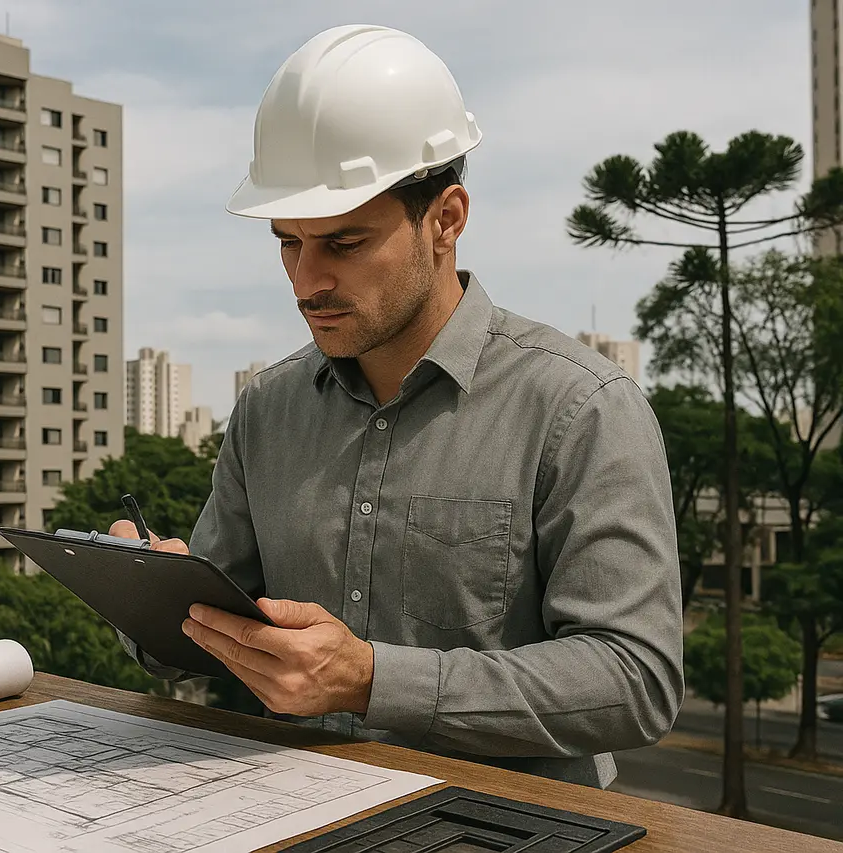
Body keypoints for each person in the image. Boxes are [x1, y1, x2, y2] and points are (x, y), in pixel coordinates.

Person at [110, 23, 684, 789]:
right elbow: (226, 628)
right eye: (287, 241)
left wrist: (373, 679)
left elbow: (636, 676)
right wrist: (156, 599)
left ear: (445, 219)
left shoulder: (579, 408)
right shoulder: (267, 411)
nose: (305, 281)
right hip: (289, 809)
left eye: (344, 244)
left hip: (504, 826)